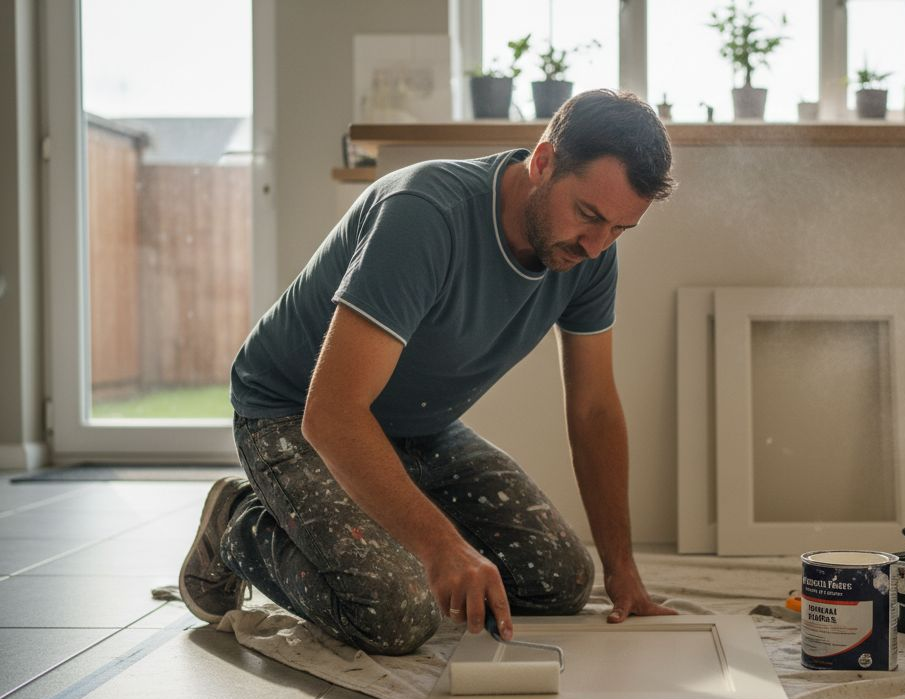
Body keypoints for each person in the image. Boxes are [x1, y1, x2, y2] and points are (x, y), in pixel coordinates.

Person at [178, 89, 677, 654]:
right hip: (293, 413)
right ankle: (236, 523)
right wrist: (441, 547)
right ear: (543, 162)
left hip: (416, 426)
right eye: (588, 215)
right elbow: (334, 414)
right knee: (394, 611)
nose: (595, 245)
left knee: (559, 580)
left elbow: (593, 409)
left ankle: (389, 529)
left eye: (618, 230)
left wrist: (622, 570)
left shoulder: (590, 254)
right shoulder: (424, 214)